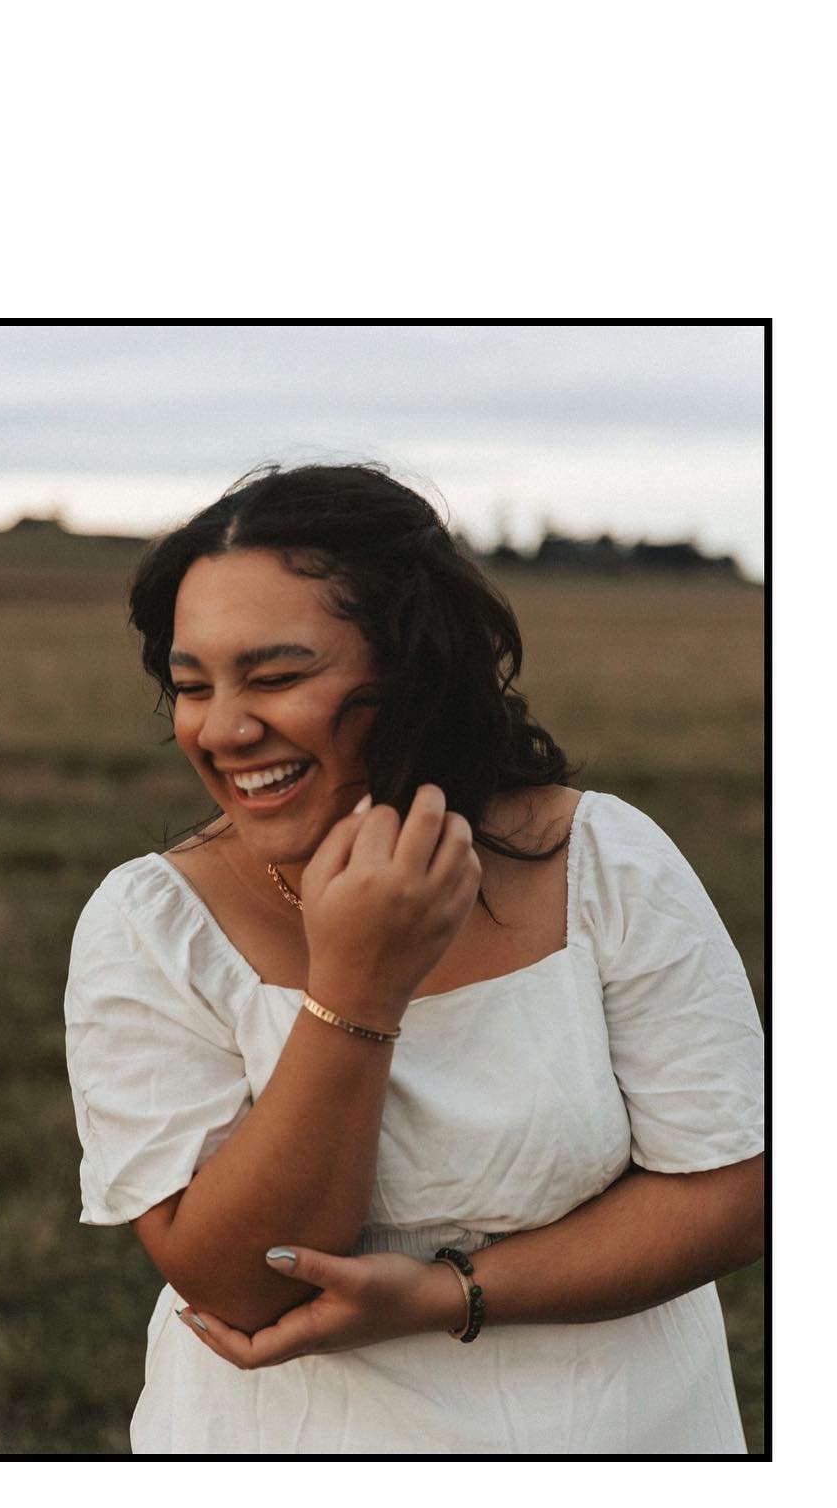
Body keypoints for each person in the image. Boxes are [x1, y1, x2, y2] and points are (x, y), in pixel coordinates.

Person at [64, 462, 765, 1456]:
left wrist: (452, 1296)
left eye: (275, 676)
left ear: (411, 667)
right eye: (191, 686)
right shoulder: (151, 923)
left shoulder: (605, 862)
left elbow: (731, 1198)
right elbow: (240, 1283)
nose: (222, 728)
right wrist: (355, 989)